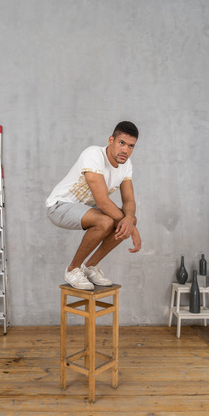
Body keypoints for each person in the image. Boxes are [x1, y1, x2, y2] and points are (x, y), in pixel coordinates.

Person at [46, 121, 141, 290]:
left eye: (131, 146)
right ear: (111, 140)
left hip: (86, 210)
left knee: (128, 219)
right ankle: (73, 269)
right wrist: (132, 229)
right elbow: (102, 202)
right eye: (122, 143)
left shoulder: (126, 165)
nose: (125, 150)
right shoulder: (93, 155)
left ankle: (89, 267)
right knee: (108, 221)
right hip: (60, 206)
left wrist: (130, 221)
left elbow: (129, 201)